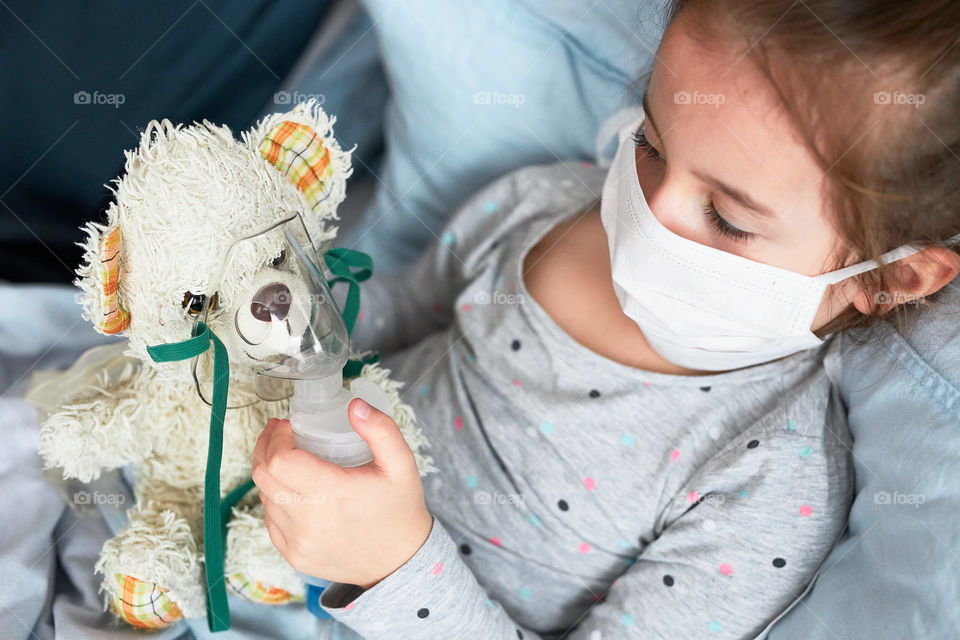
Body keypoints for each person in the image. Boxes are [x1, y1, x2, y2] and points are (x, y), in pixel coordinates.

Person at [251, 0, 960, 637]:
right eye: (651, 144)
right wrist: (277, 324)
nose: (651, 211)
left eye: (726, 217)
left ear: (891, 277)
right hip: (242, 508)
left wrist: (391, 568)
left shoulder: (770, 475)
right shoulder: (546, 211)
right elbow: (394, 316)